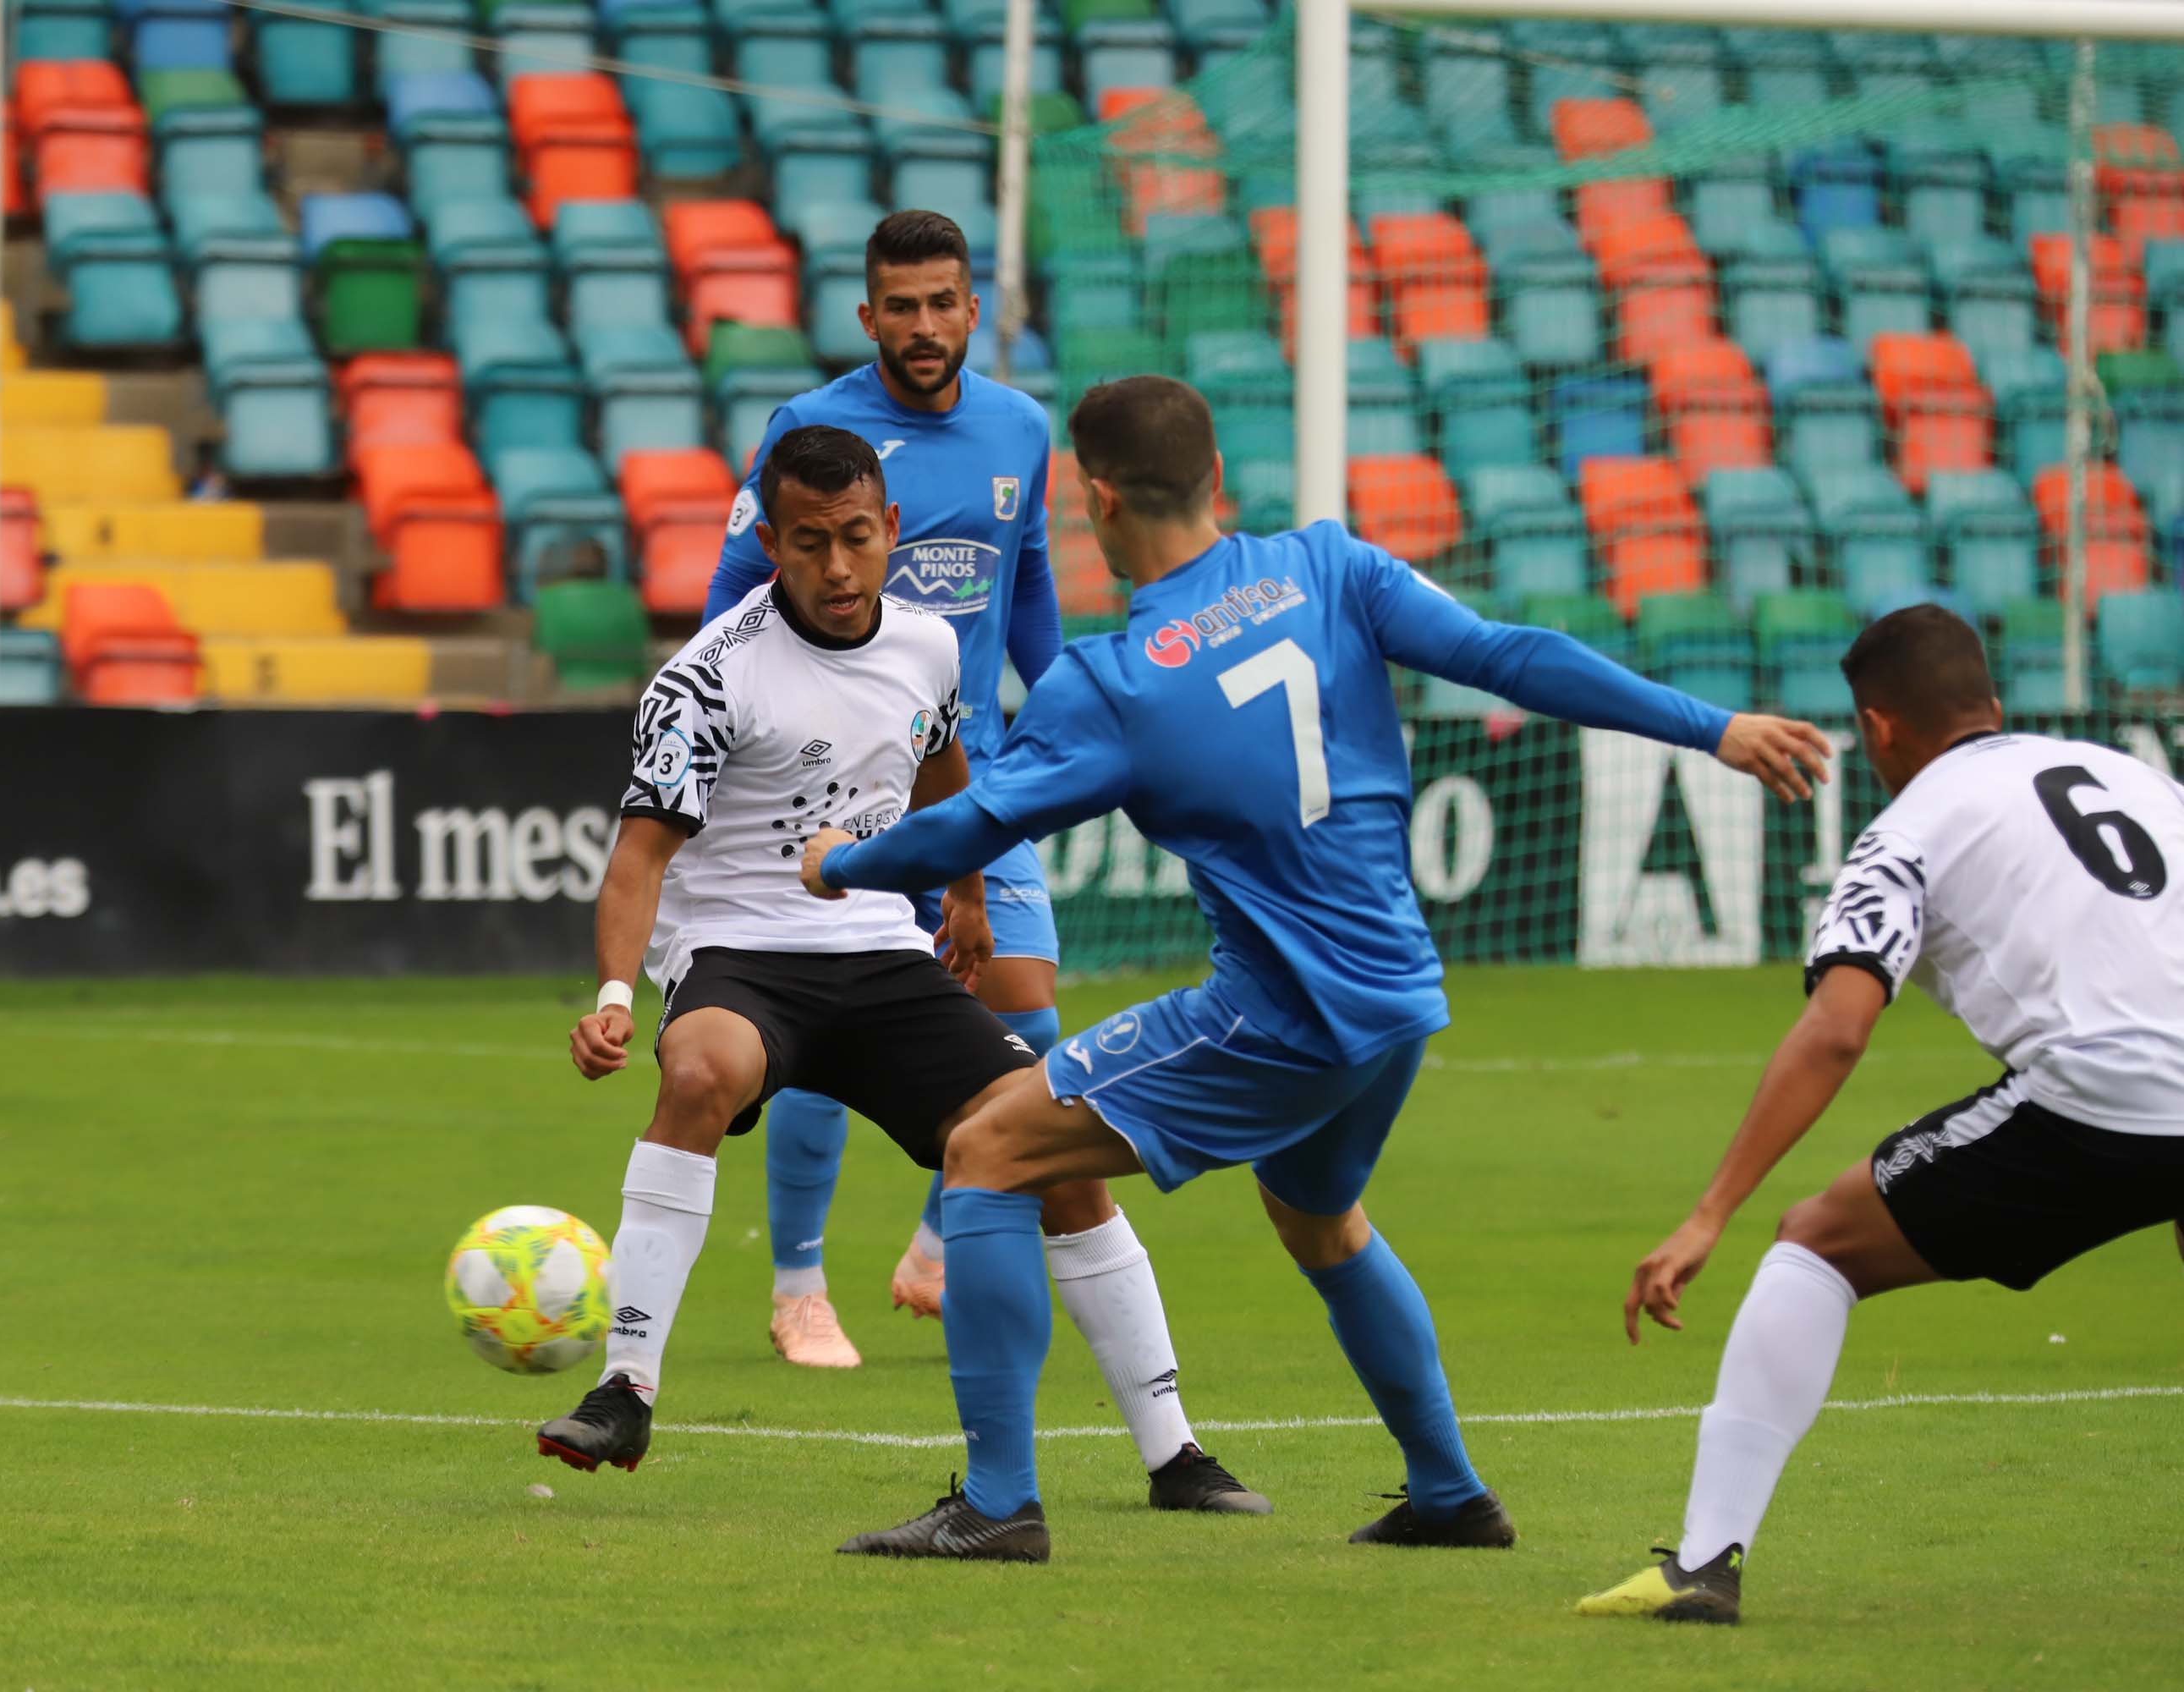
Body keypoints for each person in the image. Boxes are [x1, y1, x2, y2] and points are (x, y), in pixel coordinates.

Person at [798, 376, 1833, 1563]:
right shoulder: (1333, 567)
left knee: (988, 1151)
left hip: (1278, 1016)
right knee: (1319, 1217)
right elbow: (1510, 655)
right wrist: (1715, 728)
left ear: (1093, 499)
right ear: (1216, 477)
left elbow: (966, 830)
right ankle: (1449, 1493)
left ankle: (993, 1505)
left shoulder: (1116, 684)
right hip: (1398, 997)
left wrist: (846, 862)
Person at [539, 424, 1268, 1518]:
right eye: (809, 542)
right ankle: (624, 1387)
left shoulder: (927, 645)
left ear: (892, 533)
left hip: (881, 957)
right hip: (744, 956)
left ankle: (1175, 1454)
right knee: (697, 1072)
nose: (837, 567)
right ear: (773, 546)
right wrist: (609, 998)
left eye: (857, 537)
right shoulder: (703, 680)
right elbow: (638, 860)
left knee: (1056, 1148)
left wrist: (967, 895)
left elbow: (943, 761)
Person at [1578, 604, 2184, 1625]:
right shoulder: (2139, 778)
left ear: (1880, 726)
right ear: (1991, 699)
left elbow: (1838, 1028)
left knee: (1815, 1241)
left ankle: (1703, 1560)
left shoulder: (1908, 828)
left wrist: (1709, 1211)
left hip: (2102, 1094)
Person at [706, 209, 1062, 1371]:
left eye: (941, 303)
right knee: (824, 1023)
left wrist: (1068, 723)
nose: (922, 326)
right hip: (835, 785)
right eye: (898, 307)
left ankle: (934, 1247)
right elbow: (730, 600)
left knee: (1029, 1012)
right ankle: (800, 1287)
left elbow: (1033, 592)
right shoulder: (809, 429)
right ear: (868, 317)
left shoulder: (1021, 429)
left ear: (974, 308)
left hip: (976, 775)